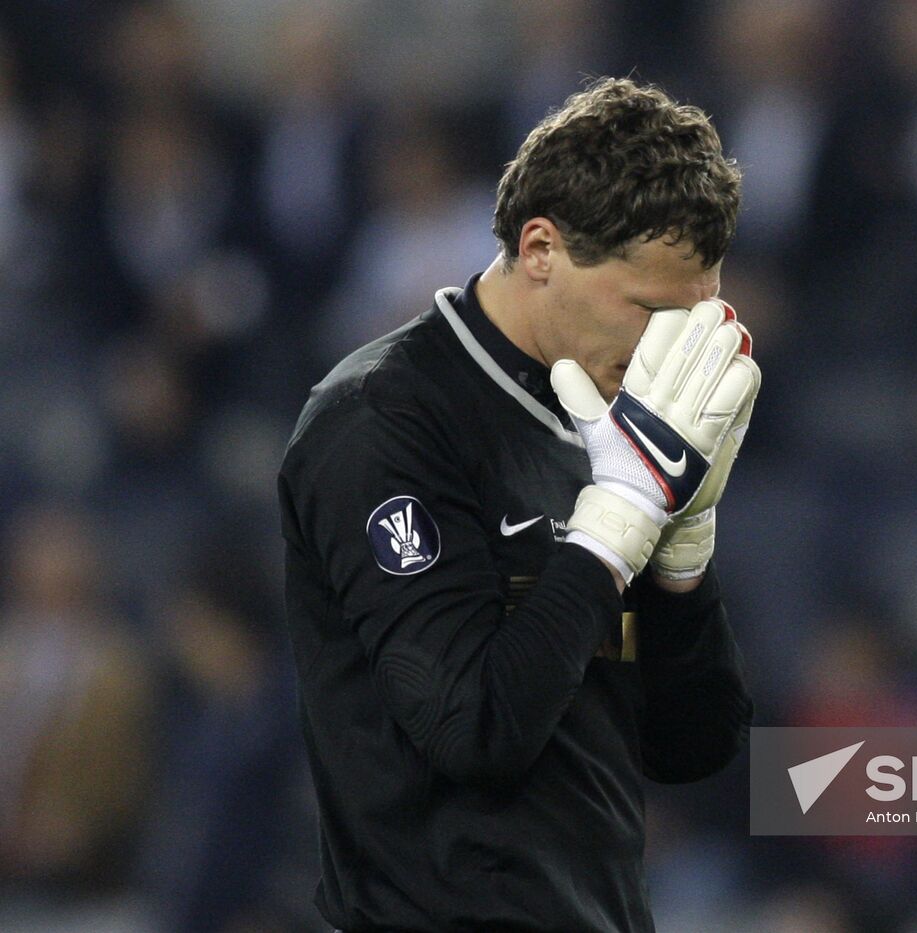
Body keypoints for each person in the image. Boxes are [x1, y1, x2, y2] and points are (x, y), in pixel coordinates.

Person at [278, 77, 760, 932]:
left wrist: (682, 557)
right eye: (648, 309)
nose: (670, 347)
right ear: (540, 248)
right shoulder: (382, 421)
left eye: (693, 316)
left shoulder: (619, 420)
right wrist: (614, 524)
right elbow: (472, 730)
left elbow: (692, 746)